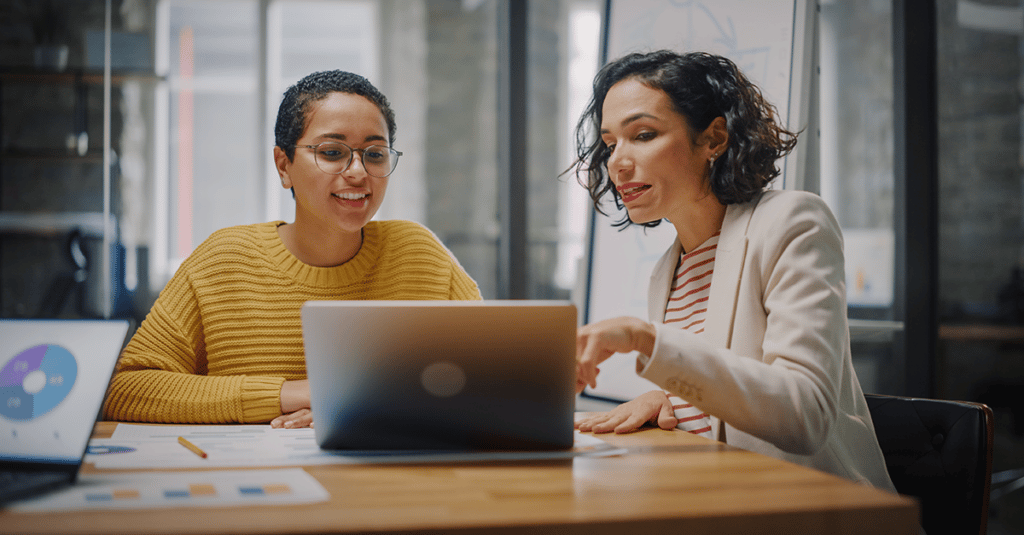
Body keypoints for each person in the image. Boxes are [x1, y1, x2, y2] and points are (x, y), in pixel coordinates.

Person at [571, 50, 895, 491]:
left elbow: (803, 415)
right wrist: (670, 397)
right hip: (724, 498)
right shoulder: (669, 269)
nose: (617, 162)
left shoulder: (793, 222)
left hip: (818, 511)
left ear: (713, 139)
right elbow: (725, 390)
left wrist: (646, 340)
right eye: (610, 143)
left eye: (643, 135)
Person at [103, 70, 481, 429]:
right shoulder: (223, 261)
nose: (358, 171)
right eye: (333, 152)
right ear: (284, 165)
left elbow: (492, 378)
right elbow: (126, 389)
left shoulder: (421, 255)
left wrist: (362, 402)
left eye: (375, 154)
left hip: (390, 475)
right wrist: (292, 394)